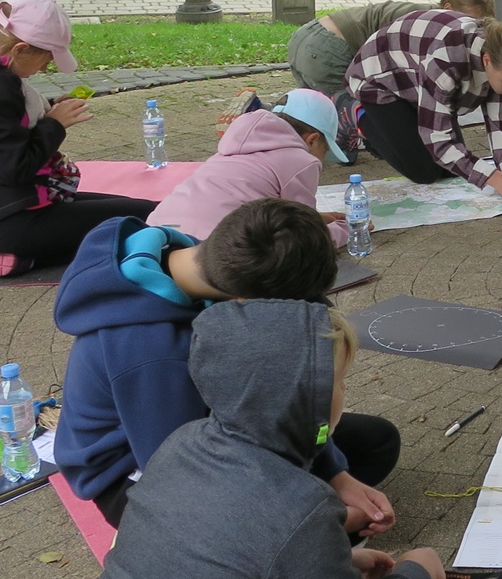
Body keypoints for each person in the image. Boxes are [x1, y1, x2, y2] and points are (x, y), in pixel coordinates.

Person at [55, 198, 402, 532]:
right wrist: (316, 525)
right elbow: (182, 478)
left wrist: (336, 474)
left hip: (207, 423)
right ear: (248, 302)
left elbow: (278, 398)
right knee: (273, 527)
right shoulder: (153, 354)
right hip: (137, 475)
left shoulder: (213, 262)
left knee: (376, 443)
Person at [98, 299, 444, 579]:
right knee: (424, 561)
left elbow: (223, 551)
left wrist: (342, 560)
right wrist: (417, 569)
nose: (344, 390)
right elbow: (282, 533)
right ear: (309, 398)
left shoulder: (181, 443)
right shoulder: (303, 507)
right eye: (339, 382)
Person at [0, 0, 155, 274]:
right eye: (45, 61)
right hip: (15, 221)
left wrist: (47, 110)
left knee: (139, 208)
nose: (44, 70)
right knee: (147, 220)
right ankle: (5, 256)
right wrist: (55, 125)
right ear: (21, 49)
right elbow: (13, 168)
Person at [345, 11, 502, 203]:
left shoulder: (498, 58)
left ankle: (393, 127)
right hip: (379, 82)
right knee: (424, 172)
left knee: (451, 169)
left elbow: (500, 124)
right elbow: (438, 141)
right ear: (487, 61)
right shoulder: (446, 61)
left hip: (418, 83)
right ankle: (356, 114)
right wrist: (494, 178)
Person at [284, 0, 494, 157]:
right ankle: (348, 120)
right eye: (468, 20)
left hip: (307, 39)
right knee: (348, 124)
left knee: (310, 114)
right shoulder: (434, 28)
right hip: (329, 49)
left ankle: (277, 126)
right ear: (448, 8)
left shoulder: (429, 18)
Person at [149, 89, 351, 244]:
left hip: (155, 235)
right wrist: (349, 230)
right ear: (312, 140)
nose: (322, 159)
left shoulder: (232, 148)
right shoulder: (302, 161)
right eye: (326, 150)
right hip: (213, 249)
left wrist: (316, 218)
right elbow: (306, 237)